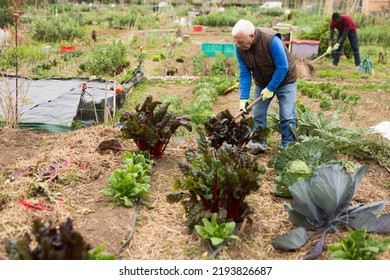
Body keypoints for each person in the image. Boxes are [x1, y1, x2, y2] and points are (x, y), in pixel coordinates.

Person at [232, 19, 297, 154]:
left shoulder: (271, 40)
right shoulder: (240, 48)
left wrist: (271, 88)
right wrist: (243, 98)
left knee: (286, 115)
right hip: (262, 82)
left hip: (285, 79)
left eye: (240, 41)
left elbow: (282, 67)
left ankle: (289, 146)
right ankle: (259, 144)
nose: (238, 45)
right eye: (236, 41)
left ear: (251, 36)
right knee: (258, 114)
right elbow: (244, 73)